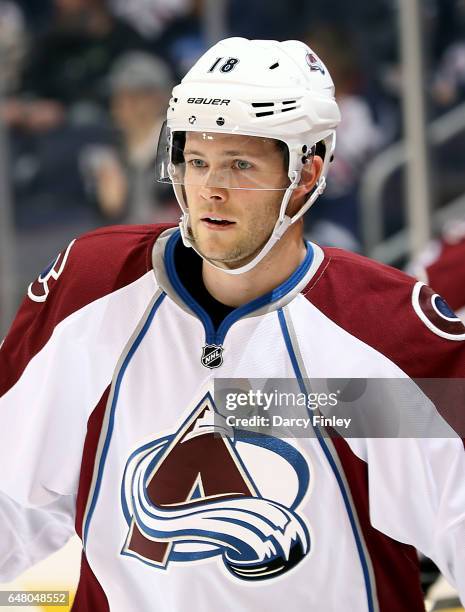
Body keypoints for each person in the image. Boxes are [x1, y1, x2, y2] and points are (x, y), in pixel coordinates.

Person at [0, 37, 464, 612]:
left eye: (241, 165)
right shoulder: (92, 291)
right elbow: (10, 492)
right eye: (197, 162)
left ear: (306, 174)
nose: (210, 190)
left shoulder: (383, 333)